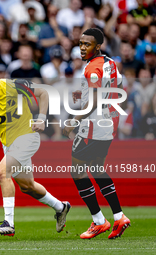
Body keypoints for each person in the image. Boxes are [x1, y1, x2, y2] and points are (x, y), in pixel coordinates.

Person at [0, 65, 71, 236]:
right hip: (9, 144)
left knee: (2, 172)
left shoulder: (13, 85)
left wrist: (42, 118)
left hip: (28, 137)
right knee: (28, 186)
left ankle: (9, 223)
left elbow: (44, 93)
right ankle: (61, 207)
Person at [63, 28, 131, 239]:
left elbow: (92, 100)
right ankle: (119, 217)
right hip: (108, 124)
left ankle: (99, 221)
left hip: (92, 126)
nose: (82, 48)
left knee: (78, 171)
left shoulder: (93, 68)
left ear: (98, 46)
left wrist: (73, 122)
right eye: (81, 43)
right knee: (96, 168)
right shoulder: (111, 63)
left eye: (87, 44)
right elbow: (121, 93)